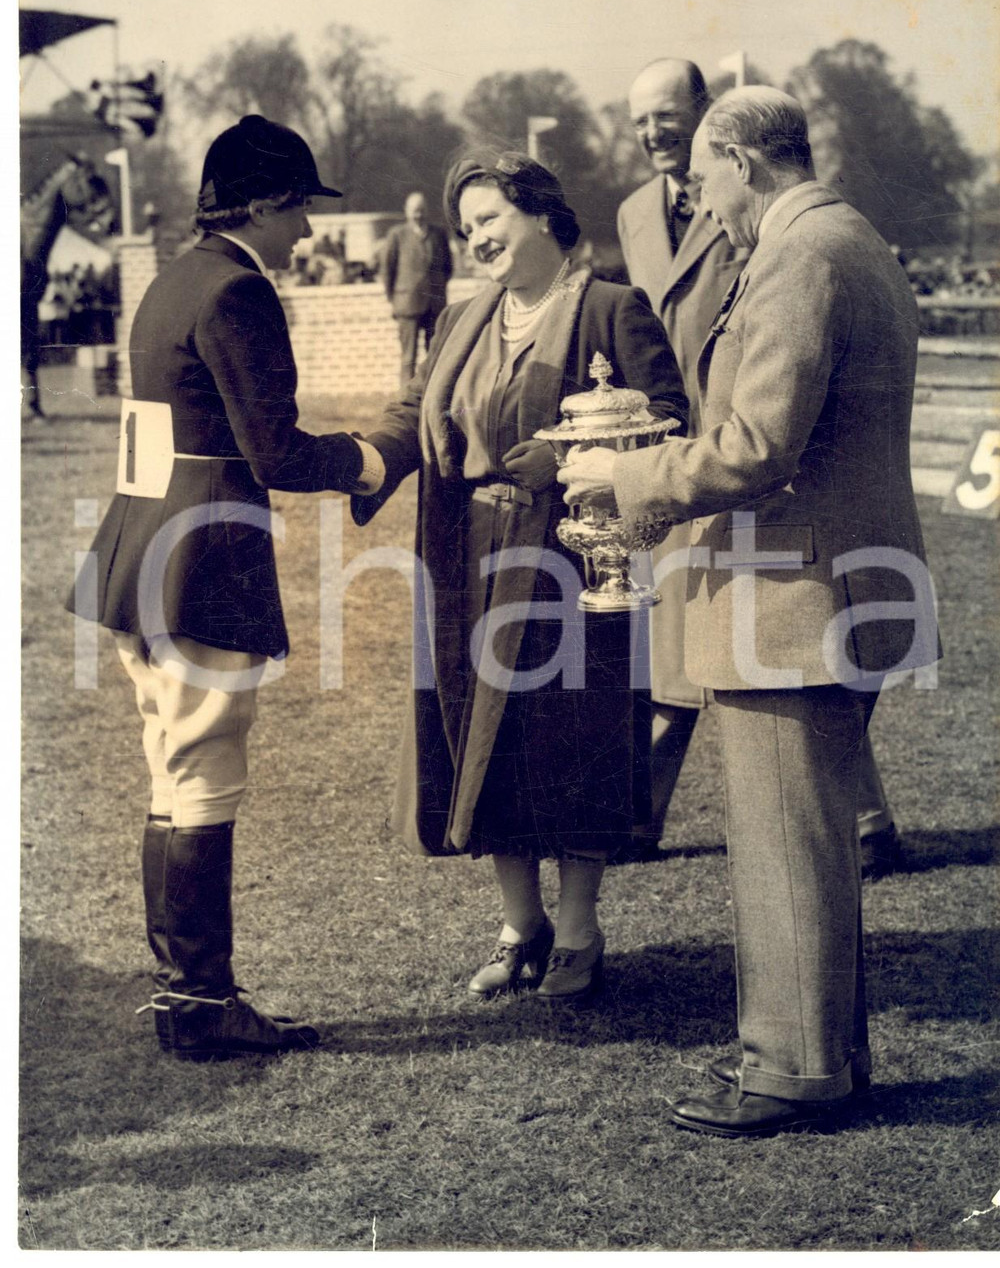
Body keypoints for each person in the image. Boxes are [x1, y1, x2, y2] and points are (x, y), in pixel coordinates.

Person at [558, 89, 940, 1135]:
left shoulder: (796, 255)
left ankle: (791, 1069)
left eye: (705, 178)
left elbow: (757, 446)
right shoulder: (840, 237)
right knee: (805, 840)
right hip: (827, 585)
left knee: (783, 846)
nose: (701, 202)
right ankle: (823, 1056)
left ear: (740, 157)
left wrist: (623, 479)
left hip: (792, 599)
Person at [67, 115, 384, 1061]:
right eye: (300, 210)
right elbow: (276, 451)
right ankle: (202, 1003)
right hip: (202, 564)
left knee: (173, 772)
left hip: (140, 556)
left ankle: (183, 996)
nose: (308, 233)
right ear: (263, 203)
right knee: (202, 773)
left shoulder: (173, 279)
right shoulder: (239, 290)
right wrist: (371, 463)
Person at [353, 152, 688, 1002]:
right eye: (467, 229)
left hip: (572, 567)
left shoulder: (611, 308)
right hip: (468, 559)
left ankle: (577, 931)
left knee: (570, 741)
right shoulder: (466, 318)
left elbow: (670, 421)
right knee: (483, 738)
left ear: (540, 214)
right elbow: (416, 409)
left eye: (490, 220)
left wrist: (571, 454)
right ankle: (521, 924)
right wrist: (366, 461)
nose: (475, 240)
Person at [618, 58, 900, 879]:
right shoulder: (640, 211)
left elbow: (766, 432)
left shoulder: (794, 239)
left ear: (721, 137)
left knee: (747, 674)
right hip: (685, 448)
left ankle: (640, 818)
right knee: (704, 657)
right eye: (638, 120)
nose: (652, 134)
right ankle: (859, 822)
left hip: (739, 468)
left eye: (667, 117)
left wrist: (638, 476)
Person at [382, 191, 454, 386]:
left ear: (427, 211)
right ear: (406, 212)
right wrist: (396, 299)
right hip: (407, 303)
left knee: (434, 352)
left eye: (422, 210)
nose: (418, 215)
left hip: (435, 303)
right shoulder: (397, 235)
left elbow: (448, 267)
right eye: (414, 211)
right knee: (408, 356)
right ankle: (407, 398)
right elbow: (387, 271)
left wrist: (437, 290)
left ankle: (431, 394)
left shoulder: (438, 234)